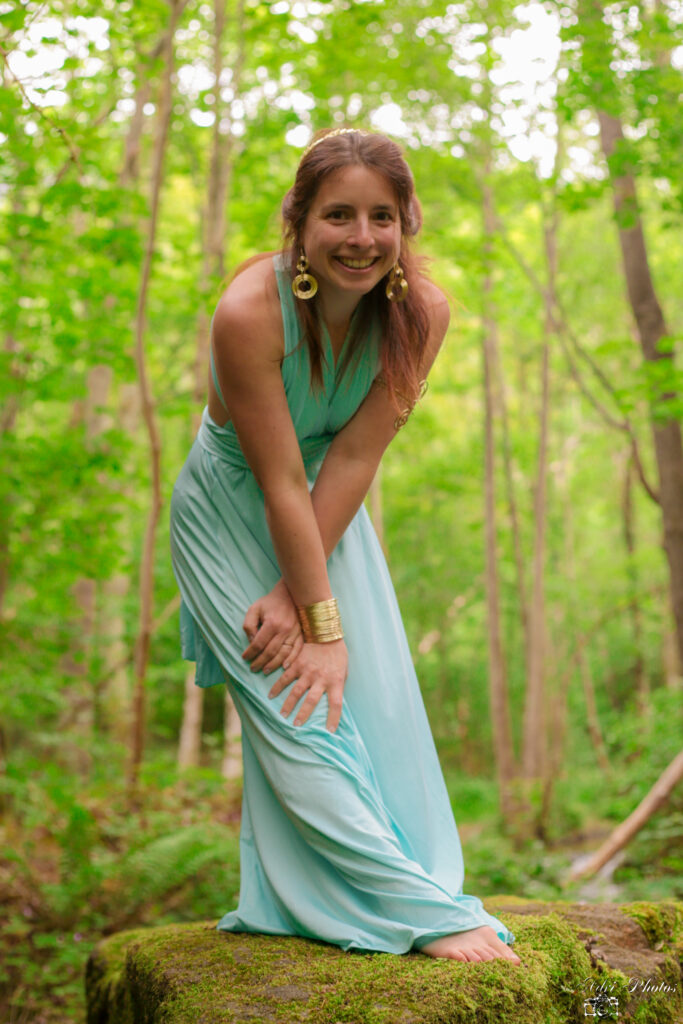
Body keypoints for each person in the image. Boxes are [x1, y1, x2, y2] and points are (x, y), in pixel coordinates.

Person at [170, 127, 520, 964]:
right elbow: (276, 481)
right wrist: (318, 628)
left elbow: (354, 455)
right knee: (302, 708)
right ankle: (422, 912)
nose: (360, 239)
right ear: (298, 220)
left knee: (378, 704)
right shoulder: (248, 312)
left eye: (380, 217)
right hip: (230, 508)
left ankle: (376, 881)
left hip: (331, 509)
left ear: (406, 222)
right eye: (337, 215)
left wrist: (305, 595)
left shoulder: (421, 315)